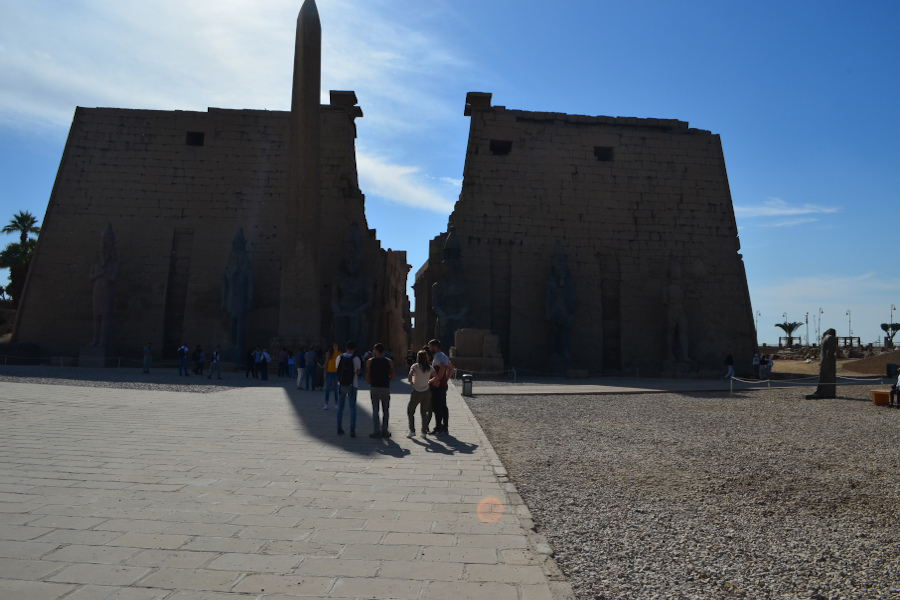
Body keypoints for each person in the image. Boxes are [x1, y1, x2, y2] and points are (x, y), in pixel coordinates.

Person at [366, 343, 394, 438]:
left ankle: (376, 431)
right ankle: (384, 430)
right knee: (385, 410)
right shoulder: (389, 361)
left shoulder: (370, 361)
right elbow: (392, 375)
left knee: (375, 410)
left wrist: (371, 383)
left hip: (375, 387)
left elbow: (367, 375)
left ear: (375, 351)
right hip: (385, 387)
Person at [335, 341, 361, 437]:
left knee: (340, 407)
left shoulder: (339, 358)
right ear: (354, 349)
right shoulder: (356, 359)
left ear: (346, 348)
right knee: (352, 408)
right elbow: (358, 372)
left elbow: (337, 369)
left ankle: (339, 428)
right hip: (352, 385)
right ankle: (352, 429)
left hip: (341, 385)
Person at [428, 338, 453, 435]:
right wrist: (445, 379)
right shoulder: (443, 355)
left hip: (437, 385)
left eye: (430, 347)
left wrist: (438, 379)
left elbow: (442, 367)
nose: (429, 349)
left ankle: (438, 428)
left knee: (436, 407)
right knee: (443, 406)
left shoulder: (438, 356)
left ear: (435, 347)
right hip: (443, 385)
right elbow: (451, 368)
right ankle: (444, 427)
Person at [407, 350, 434, 437]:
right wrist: (429, 381)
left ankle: (412, 430)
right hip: (426, 391)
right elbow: (437, 377)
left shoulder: (415, 366)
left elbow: (410, 374)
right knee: (424, 412)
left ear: (418, 357)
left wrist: (411, 381)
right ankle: (424, 432)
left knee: (410, 411)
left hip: (416, 392)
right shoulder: (429, 367)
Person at [323, 342, 340, 409]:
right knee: (328, 388)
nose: (335, 347)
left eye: (336, 346)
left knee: (336, 388)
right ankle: (326, 403)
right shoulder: (329, 354)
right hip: (329, 372)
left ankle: (336, 403)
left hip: (336, 373)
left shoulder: (339, 354)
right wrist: (324, 373)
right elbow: (326, 363)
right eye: (334, 346)